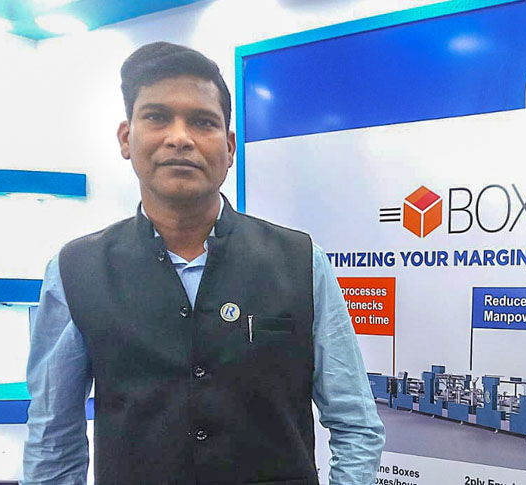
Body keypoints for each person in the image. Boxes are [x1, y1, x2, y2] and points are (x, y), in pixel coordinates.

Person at [22, 41, 385, 485]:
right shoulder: (76, 270)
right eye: (157, 117)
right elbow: (53, 438)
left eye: (202, 121)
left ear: (230, 148)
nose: (180, 137)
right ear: (126, 138)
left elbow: (356, 423)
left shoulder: (300, 260)